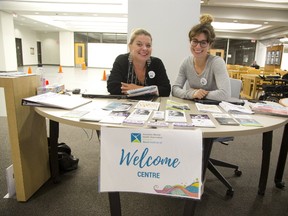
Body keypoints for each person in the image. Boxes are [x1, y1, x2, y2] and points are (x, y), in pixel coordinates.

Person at [172, 14, 231, 101]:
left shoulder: (217, 62)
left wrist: (200, 94)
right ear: (190, 42)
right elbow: (174, 89)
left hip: (213, 109)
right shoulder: (186, 62)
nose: (198, 47)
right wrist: (193, 93)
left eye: (203, 43)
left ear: (210, 45)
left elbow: (225, 94)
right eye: (195, 41)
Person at [107, 28, 171, 96]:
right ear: (130, 46)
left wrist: (137, 89)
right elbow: (112, 87)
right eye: (139, 44)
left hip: (150, 105)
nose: (145, 48)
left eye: (148, 45)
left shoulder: (157, 63)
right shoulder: (122, 60)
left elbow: (166, 90)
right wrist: (151, 90)